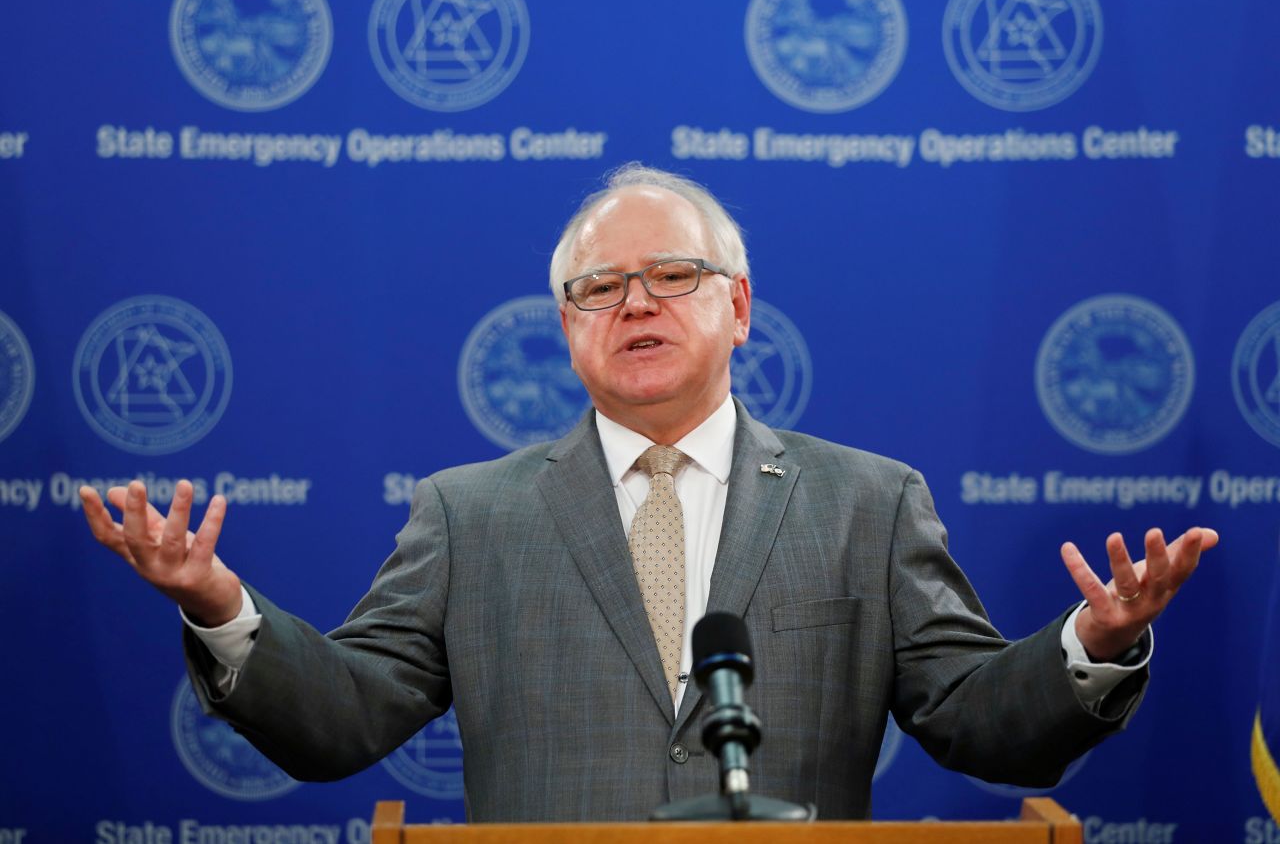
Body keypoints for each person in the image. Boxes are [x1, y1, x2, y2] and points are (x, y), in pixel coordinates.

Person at [79, 164, 1215, 821]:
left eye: (671, 276)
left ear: (740, 307)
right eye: (597, 287)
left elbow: (977, 720)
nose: (635, 303)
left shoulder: (866, 504)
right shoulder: (469, 516)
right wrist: (222, 604)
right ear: (565, 326)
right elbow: (344, 719)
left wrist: (1091, 640)